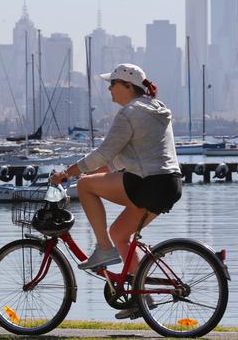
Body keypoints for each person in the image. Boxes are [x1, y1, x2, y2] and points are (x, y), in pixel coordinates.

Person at [50, 63, 182, 318]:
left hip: (147, 183)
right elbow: (122, 158)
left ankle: (103, 249)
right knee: (120, 233)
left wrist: (67, 173)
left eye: (112, 83)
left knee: (85, 186)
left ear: (126, 85)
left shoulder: (129, 113)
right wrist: (91, 170)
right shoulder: (155, 108)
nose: (109, 88)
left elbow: (103, 154)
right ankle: (142, 299)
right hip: (169, 184)